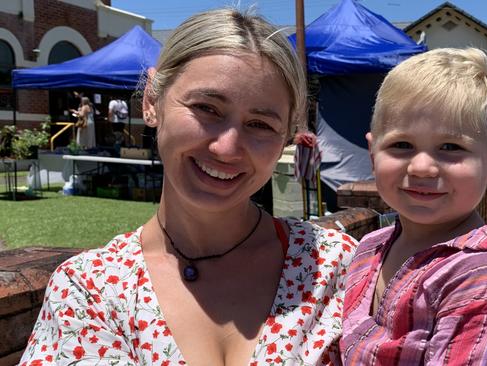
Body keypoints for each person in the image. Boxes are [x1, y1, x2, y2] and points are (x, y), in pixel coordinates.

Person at [20, 8, 357, 365]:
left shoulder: (336, 268)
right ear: (152, 101)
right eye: (206, 108)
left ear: (286, 136)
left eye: (259, 124)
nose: (227, 148)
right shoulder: (90, 291)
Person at [340, 48, 487, 365]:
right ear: (373, 154)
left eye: (451, 147)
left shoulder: (484, 282)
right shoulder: (371, 246)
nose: (422, 167)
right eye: (401, 145)